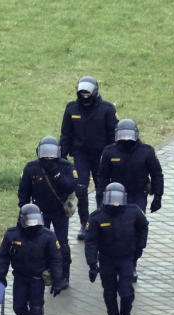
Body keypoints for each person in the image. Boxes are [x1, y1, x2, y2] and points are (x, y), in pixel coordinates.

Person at [98, 118, 163, 282]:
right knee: (114, 230)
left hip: (137, 195)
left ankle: (132, 263)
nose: (126, 140)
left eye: (129, 137)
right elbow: (103, 176)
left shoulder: (147, 151)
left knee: (135, 230)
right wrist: (101, 198)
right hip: (115, 197)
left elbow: (157, 174)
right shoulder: (109, 152)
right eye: (123, 137)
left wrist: (158, 196)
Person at [0, 203, 66, 315]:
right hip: (20, 278)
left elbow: (56, 259)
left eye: (35, 221)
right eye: (29, 222)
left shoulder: (48, 236)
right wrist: (1, 275)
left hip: (37, 280)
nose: (33, 225)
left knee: (36, 310)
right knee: (18, 308)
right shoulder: (11, 235)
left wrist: (58, 280)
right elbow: (3, 256)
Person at [84, 183, 148, 315]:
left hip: (126, 258)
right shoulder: (96, 217)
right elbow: (90, 241)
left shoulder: (133, 212)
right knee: (109, 292)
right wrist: (92, 263)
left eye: (117, 200)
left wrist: (139, 247)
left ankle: (125, 314)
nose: (114, 204)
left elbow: (143, 226)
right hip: (107, 259)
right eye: (111, 200)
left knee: (126, 293)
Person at [60, 75, 118, 240]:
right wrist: (61, 159)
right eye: (82, 93)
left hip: (102, 155)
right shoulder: (71, 109)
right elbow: (66, 135)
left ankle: (100, 223)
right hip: (81, 155)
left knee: (102, 188)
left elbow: (113, 135)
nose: (85, 96)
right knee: (80, 188)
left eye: (88, 94)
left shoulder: (107, 109)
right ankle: (85, 224)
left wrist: (113, 157)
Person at [17, 136, 76, 286]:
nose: (48, 157)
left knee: (62, 244)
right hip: (40, 213)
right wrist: (24, 209)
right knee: (40, 244)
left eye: (51, 153)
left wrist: (57, 175)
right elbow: (24, 191)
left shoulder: (66, 166)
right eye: (45, 153)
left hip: (59, 212)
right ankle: (43, 273)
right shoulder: (31, 168)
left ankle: (64, 275)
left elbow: (71, 186)